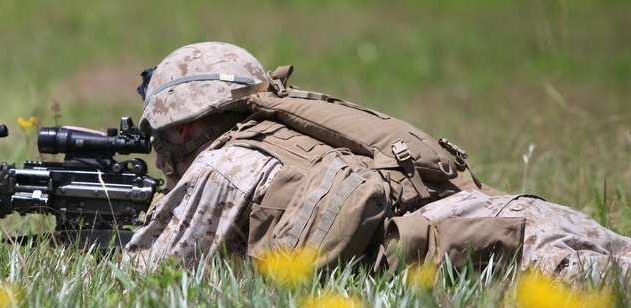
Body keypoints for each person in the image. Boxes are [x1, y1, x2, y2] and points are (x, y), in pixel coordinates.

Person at [122, 42, 631, 281]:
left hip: (498, 252)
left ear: (183, 126)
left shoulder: (225, 165)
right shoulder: (292, 129)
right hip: (517, 214)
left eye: (161, 133)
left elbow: (146, 279)